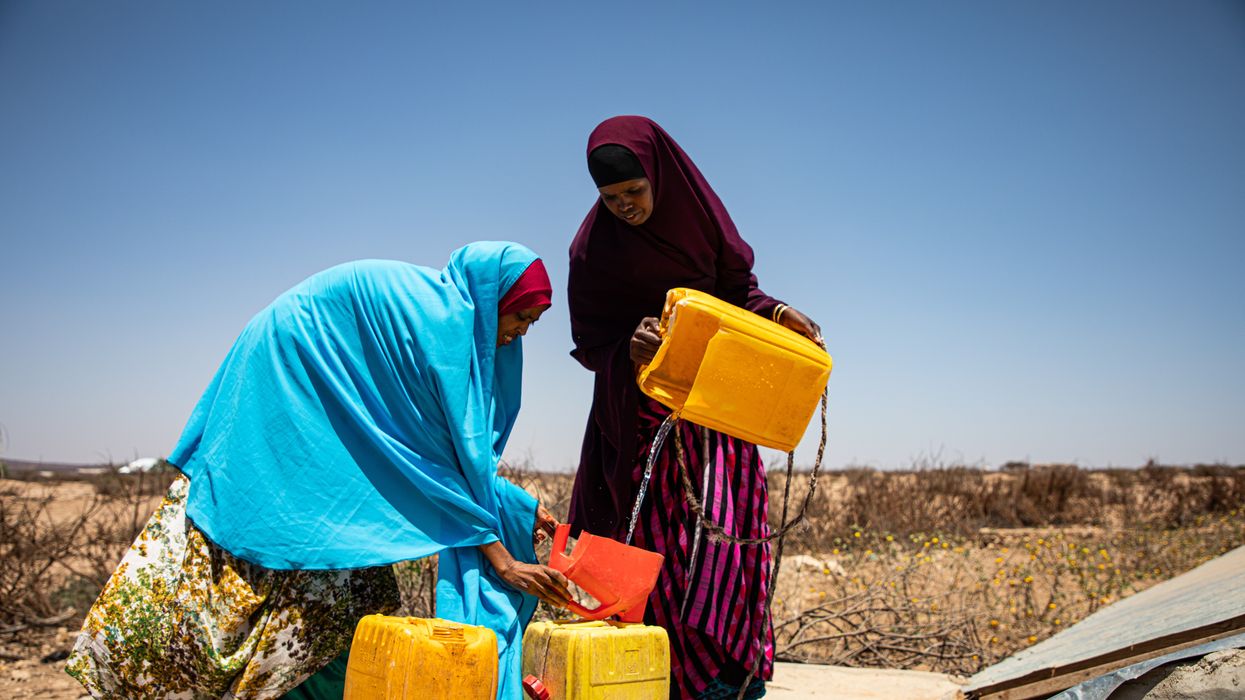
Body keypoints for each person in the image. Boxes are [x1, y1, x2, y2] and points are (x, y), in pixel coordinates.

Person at [66, 241, 572, 700]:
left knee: (341, 592)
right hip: (287, 390)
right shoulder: (438, 333)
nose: (522, 331)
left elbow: (437, 457)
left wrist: (517, 507)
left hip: (311, 407)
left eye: (533, 321)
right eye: (519, 316)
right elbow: (426, 464)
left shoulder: (447, 328)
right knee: (254, 576)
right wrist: (502, 560)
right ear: (490, 302)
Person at [567, 117, 821, 699]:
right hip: (645, 429)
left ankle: (734, 679)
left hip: (720, 416)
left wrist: (779, 313)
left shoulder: (701, 219)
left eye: (634, 192)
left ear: (658, 176)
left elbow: (741, 295)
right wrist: (627, 349)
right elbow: (591, 344)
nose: (625, 207)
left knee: (733, 546)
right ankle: (675, 682)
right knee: (666, 556)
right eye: (611, 199)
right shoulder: (591, 250)